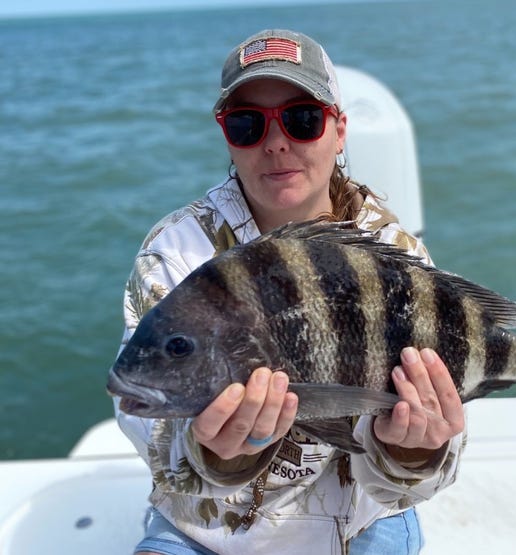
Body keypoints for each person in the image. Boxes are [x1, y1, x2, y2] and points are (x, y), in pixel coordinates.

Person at [115, 29, 465, 555]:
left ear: (339, 130)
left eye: (302, 119)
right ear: (227, 136)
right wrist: (217, 454)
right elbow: (147, 422)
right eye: (247, 124)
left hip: (358, 524)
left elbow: (431, 469)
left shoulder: (395, 254)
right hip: (205, 533)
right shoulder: (178, 252)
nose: (276, 142)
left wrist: (414, 450)